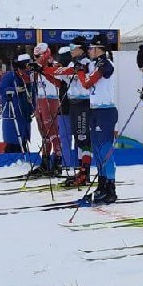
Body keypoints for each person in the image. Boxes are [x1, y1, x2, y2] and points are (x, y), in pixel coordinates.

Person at [75, 34, 118, 204]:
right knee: (97, 150)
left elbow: (86, 83)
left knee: (105, 149)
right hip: (95, 110)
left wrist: (80, 71)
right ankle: (102, 183)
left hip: (105, 111)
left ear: (98, 49)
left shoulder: (105, 63)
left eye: (91, 48)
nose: (89, 51)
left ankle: (110, 186)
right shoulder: (94, 64)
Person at [47, 37, 92, 186]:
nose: (71, 49)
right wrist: (44, 70)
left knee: (84, 140)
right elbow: (61, 76)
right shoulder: (74, 62)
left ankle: (85, 173)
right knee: (79, 140)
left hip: (83, 103)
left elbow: (67, 71)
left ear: (81, 48)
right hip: (74, 104)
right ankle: (82, 171)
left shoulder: (85, 62)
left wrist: (46, 69)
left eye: (74, 46)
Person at [26, 43, 64, 177]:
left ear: (46, 54)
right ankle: (45, 161)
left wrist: (42, 70)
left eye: (38, 56)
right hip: (40, 99)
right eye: (34, 56)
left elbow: (59, 82)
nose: (35, 58)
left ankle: (58, 161)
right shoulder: (38, 65)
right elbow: (32, 80)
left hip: (51, 99)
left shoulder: (55, 65)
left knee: (52, 129)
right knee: (43, 132)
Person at [0, 54, 34, 154]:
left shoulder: (30, 76)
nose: (26, 70)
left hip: (25, 111)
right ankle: (11, 154)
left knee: (23, 135)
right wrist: (14, 90)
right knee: (12, 137)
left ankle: (24, 150)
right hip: (12, 112)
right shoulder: (10, 76)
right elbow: (1, 89)